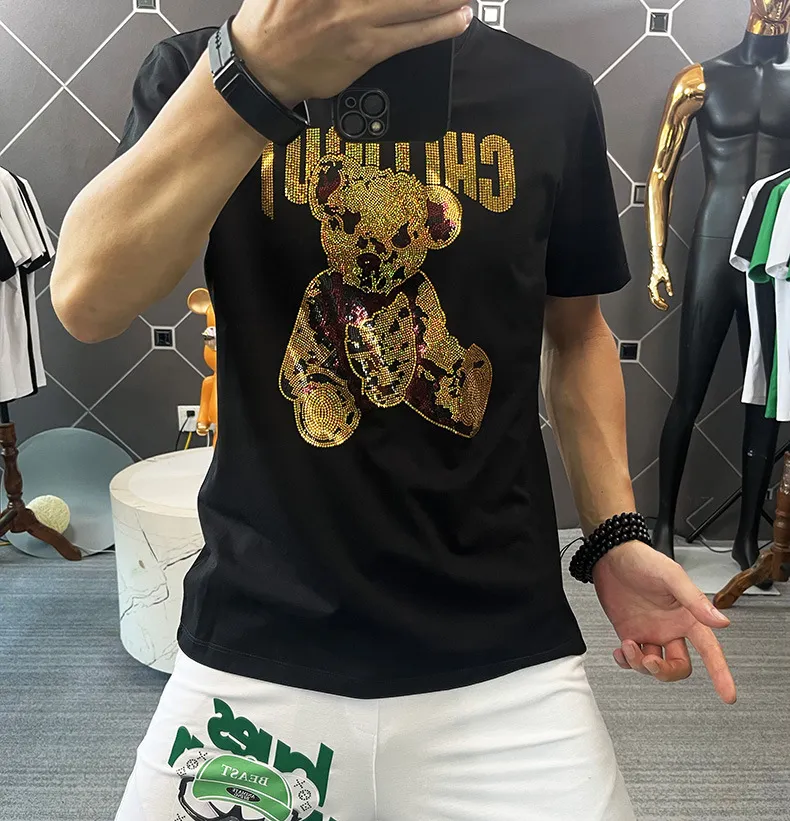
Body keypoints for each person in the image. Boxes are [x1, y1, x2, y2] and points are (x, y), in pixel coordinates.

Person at [51, 1, 737, 818]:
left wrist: (615, 533)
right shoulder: (198, 68)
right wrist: (253, 72)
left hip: (502, 653)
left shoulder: (549, 94)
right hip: (259, 632)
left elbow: (577, 331)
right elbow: (87, 301)